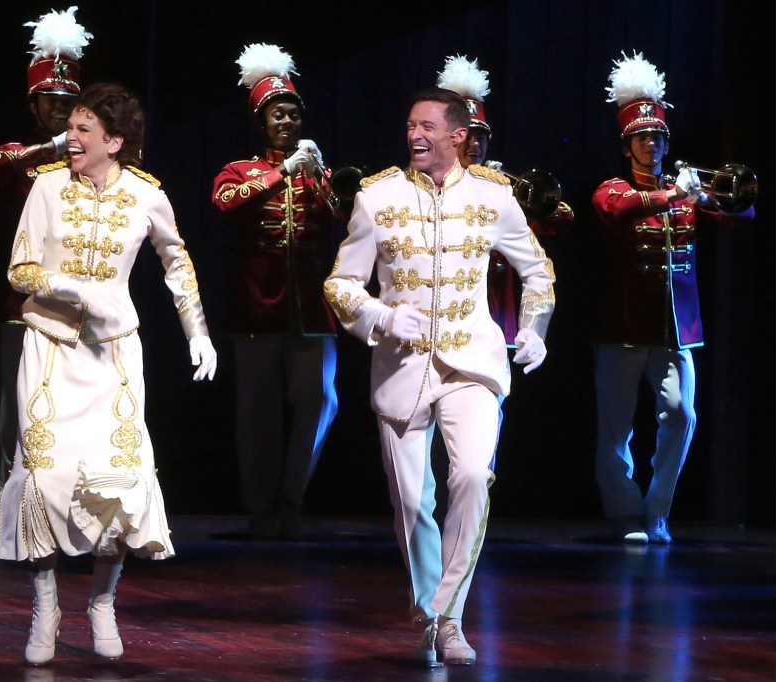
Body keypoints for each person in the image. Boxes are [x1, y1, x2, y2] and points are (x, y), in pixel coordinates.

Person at [0, 82, 218, 666]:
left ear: (115, 141)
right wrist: (72, 286)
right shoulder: (47, 186)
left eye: (83, 130)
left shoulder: (146, 195)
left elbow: (176, 262)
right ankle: (45, 603)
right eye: (71, 127)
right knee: (45, 475)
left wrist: (196, 332)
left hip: (113, 354)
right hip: (52, 346)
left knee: (118, 478)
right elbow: (19, 268)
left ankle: (102, 601)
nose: (70, 137)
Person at [323, 87, 555, 666]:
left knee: (473, 475)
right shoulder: (377, 197)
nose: (415, 136)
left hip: (472, 362)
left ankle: (447, 617)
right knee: (410, 499)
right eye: (409, 126)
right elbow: (339, 283)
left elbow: (538, 271)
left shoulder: (493, 197)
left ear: (460, 135)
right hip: (401, 368)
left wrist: (534, 328)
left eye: (427, 126)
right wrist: (379, 314)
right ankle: (427, 612)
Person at [591, 52, 753, 545]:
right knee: (616, 428)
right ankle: (623, 510)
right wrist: (677, 196)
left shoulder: (684, 189)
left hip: (676, 328)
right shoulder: (615, 187)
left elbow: (740, 216)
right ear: (628, 147)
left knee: (683, 414)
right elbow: (612, 208)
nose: (652, 146)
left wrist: (706, 197)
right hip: (621, 327)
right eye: (642, 139)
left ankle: (657, 509)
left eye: (658, 138)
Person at [211, 43, 339, 539]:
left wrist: (325, 182)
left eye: (292, 114)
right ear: (261, 123)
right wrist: (282, 172)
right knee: (256, 410)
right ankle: (260, 505)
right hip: (255, 304)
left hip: (312, 306)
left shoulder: (316, 171)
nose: (286, 122)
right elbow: (226, 202)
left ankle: (293, 496)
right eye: (276, 115)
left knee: (320, 400)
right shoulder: (241, 170)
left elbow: (348, 217)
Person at [0, 7, 91, 490]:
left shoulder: (92, 158)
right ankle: (12, 506)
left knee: (70, 410)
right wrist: (48, 149)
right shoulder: (21, 155)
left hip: (76, 303)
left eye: (68, 99)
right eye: (50, 99)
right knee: (17, 410)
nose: (60, 107)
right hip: (21, 303)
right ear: (33, 105)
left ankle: (61, 505)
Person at [437, 54, 574, 347]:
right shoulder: (430, 185)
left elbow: (559, 221)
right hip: (443, 318)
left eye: (481, 137)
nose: (475, 144)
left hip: (493, 318)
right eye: (467, 136)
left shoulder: (503, 189)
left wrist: (507, 193)